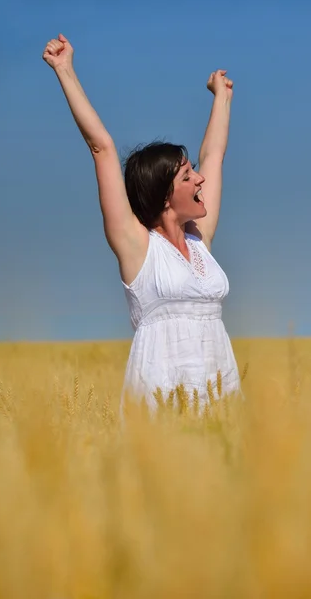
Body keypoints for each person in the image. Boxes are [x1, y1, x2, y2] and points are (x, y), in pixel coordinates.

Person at [42, 34, 241, 413]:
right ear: (165, 196)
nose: (200, 180)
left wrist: (221, 97)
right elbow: (101, 146)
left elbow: (213, 155)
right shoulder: (137, 248)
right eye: (187, 176)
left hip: (220, 393)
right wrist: (64, 69)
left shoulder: (201, 239)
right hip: (160, 402)